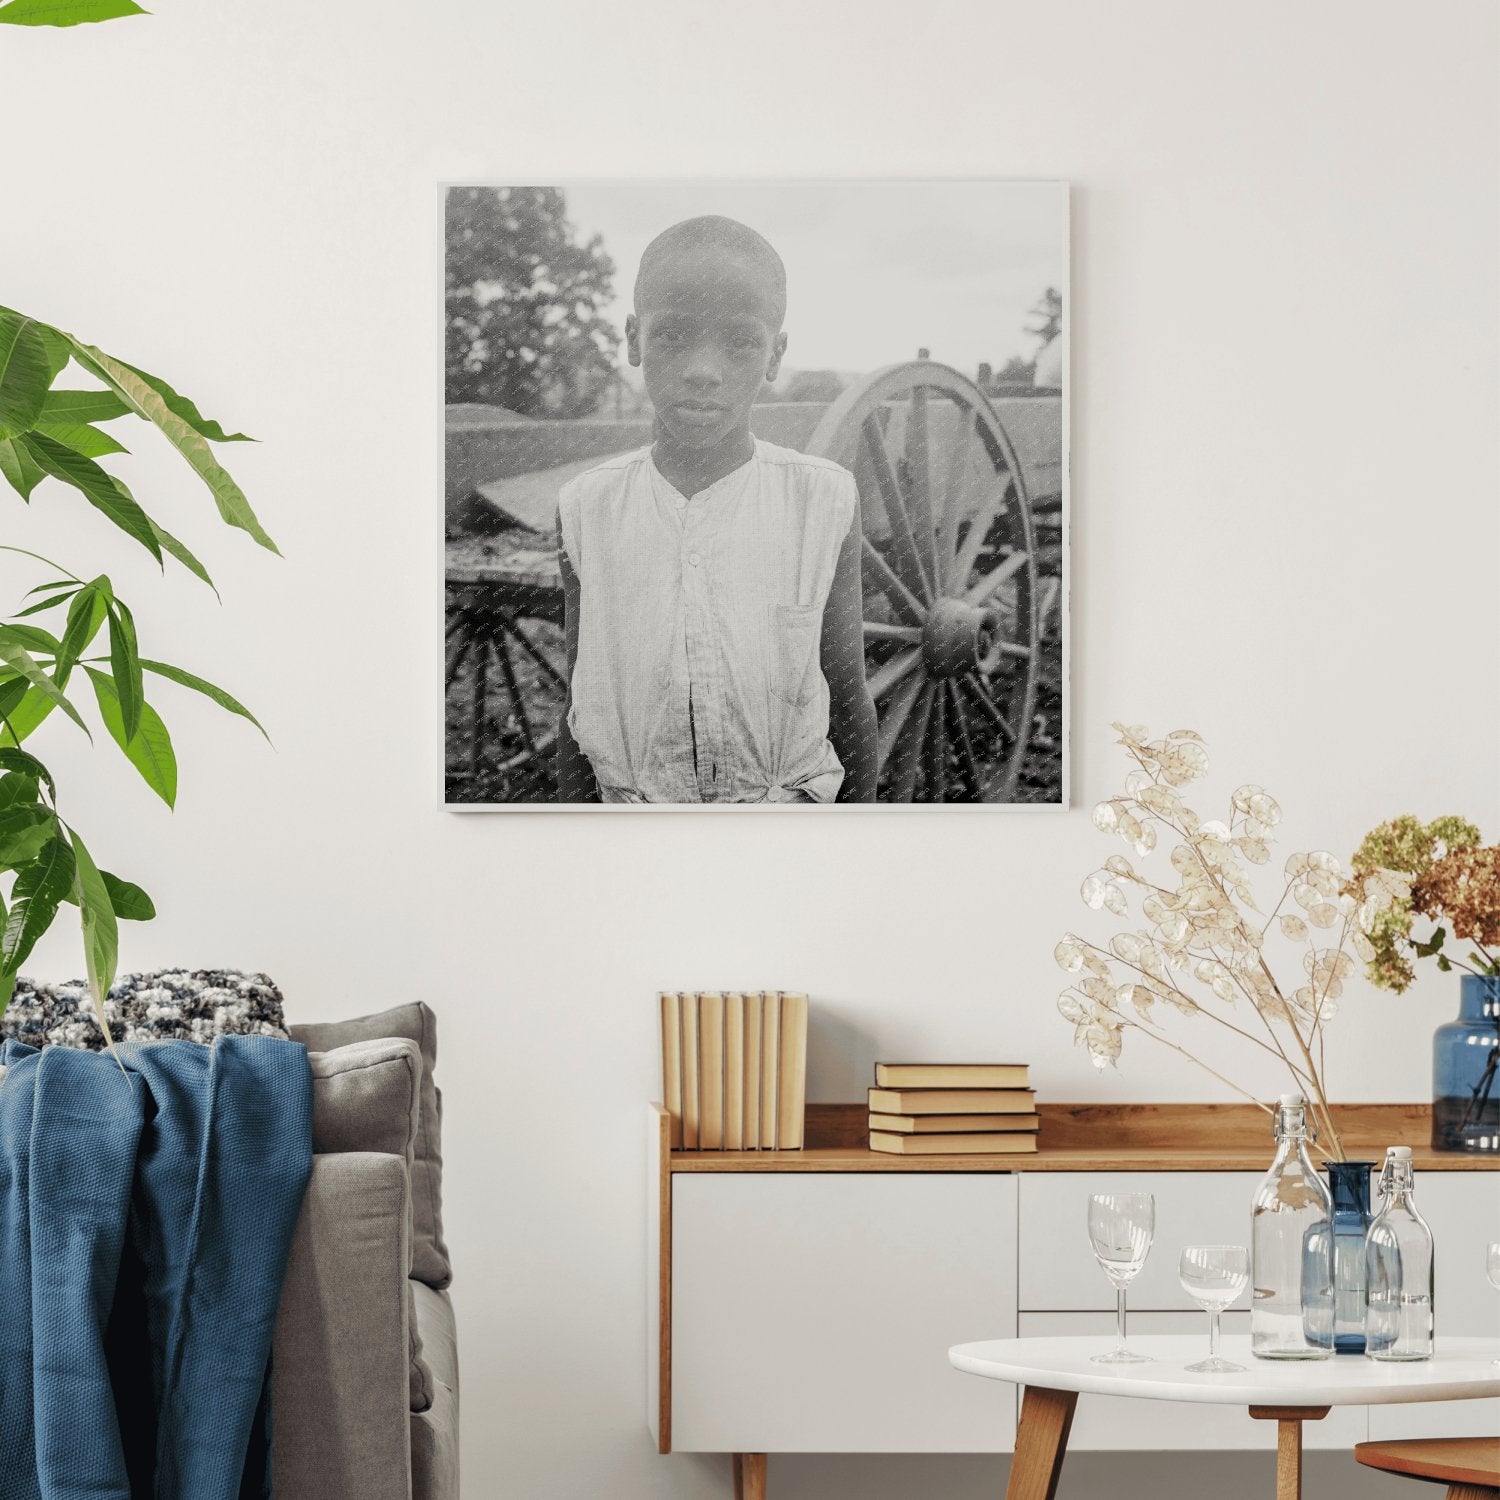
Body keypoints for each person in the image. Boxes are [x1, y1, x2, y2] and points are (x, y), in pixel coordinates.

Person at [554, 215, 877, 804]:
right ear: (633, 339)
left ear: (775, 354)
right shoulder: (586, 508)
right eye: (674, 333)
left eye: (740, 341)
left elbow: (849, 697)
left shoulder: (822, 501)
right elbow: (579, 702)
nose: (704, 370)